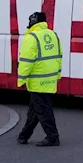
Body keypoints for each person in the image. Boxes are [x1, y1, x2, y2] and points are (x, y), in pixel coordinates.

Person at [15, 11, 62, 147]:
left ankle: (53, 138)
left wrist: (21, 79)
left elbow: (26, 61)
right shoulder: (53, 35)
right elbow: (59, 56)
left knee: (43, 110)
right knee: (35, 110)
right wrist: (57, 75)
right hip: (50, 78)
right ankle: (23, 136)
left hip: (37, 81)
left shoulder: (31, 37)